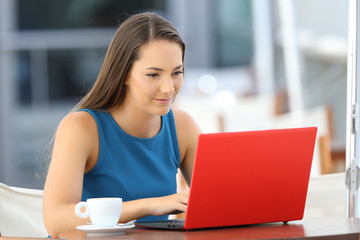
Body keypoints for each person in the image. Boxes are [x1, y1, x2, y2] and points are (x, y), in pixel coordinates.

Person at [43, 12, 201, 238]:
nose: (169, 88)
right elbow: (56, 221)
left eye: (177, 72)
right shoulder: (81, 127)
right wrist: (149, 206)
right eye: (153, 75)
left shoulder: (182, 126)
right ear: (123, 73)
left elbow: (219, 202)